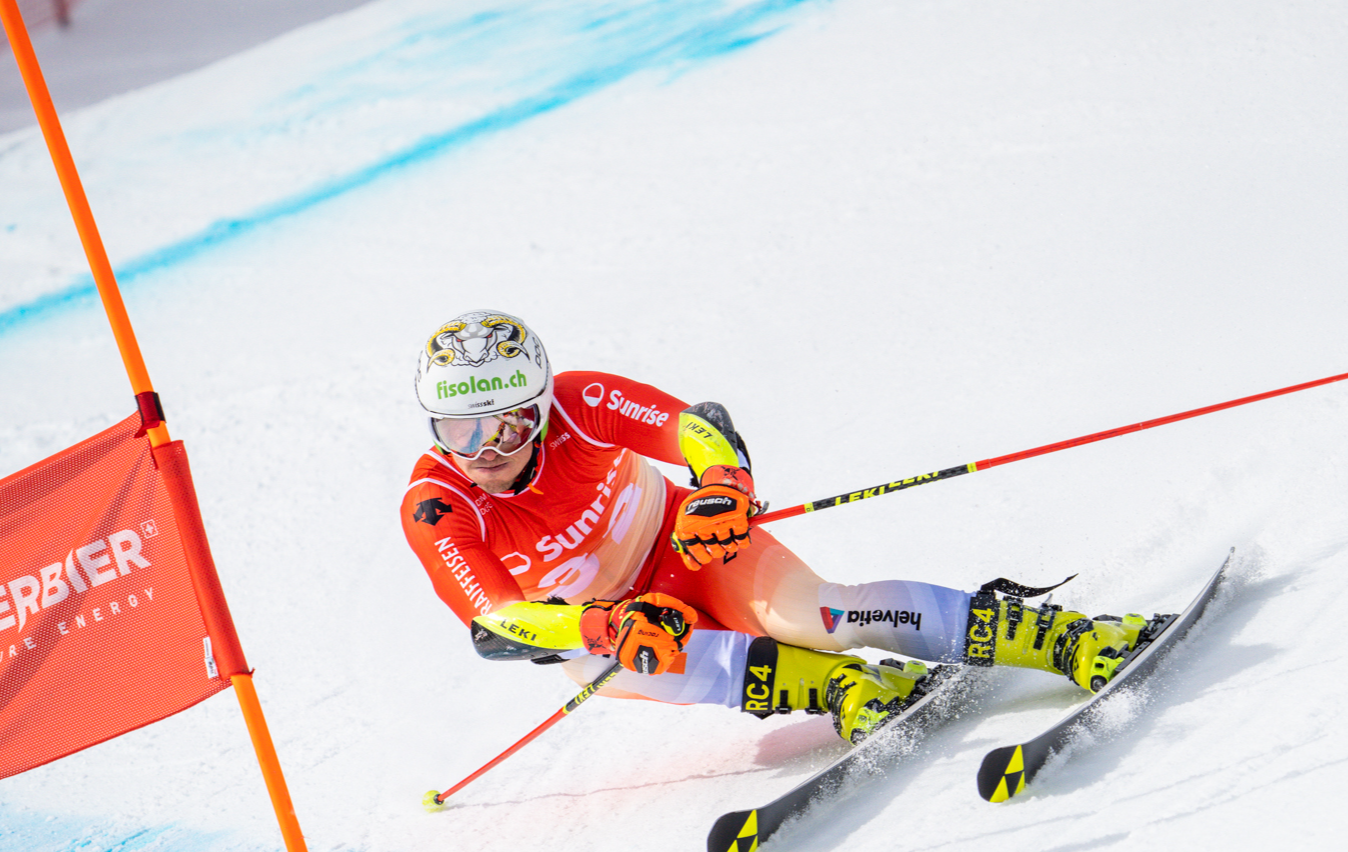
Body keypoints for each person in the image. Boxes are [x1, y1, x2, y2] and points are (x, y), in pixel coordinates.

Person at [401, 309, 1170, 743]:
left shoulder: (579, 399)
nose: (484, 453)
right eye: (458, 431)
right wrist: (602, 624)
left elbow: (693, 429)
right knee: (654, 659)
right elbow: (496, 619)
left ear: (537, 410)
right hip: (615, 626)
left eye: (504, 428)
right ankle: (840, 689)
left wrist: (722, 488)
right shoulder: (439, 505)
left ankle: (1064, 636)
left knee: (819, 615)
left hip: (689, 552)